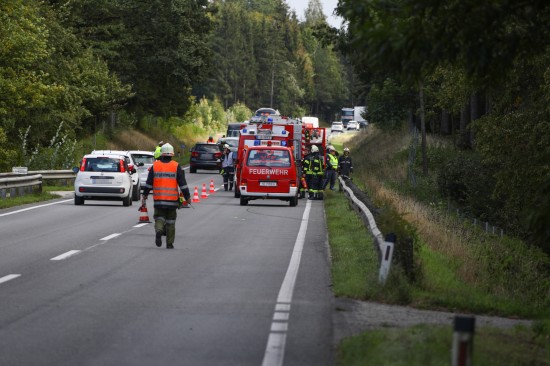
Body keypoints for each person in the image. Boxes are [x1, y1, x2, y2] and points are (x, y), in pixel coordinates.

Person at [142, 143, 191, 249]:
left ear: (162, 154)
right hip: (172, 201)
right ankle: (169, 244)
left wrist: (145, 195)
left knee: (159, 217)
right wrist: (187, 197)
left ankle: (159, 230)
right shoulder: (176, 166)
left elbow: (149, 183)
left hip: (159, 200)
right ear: (172, 154)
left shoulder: (155, 166)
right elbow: (182, 184)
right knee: (171, 221)